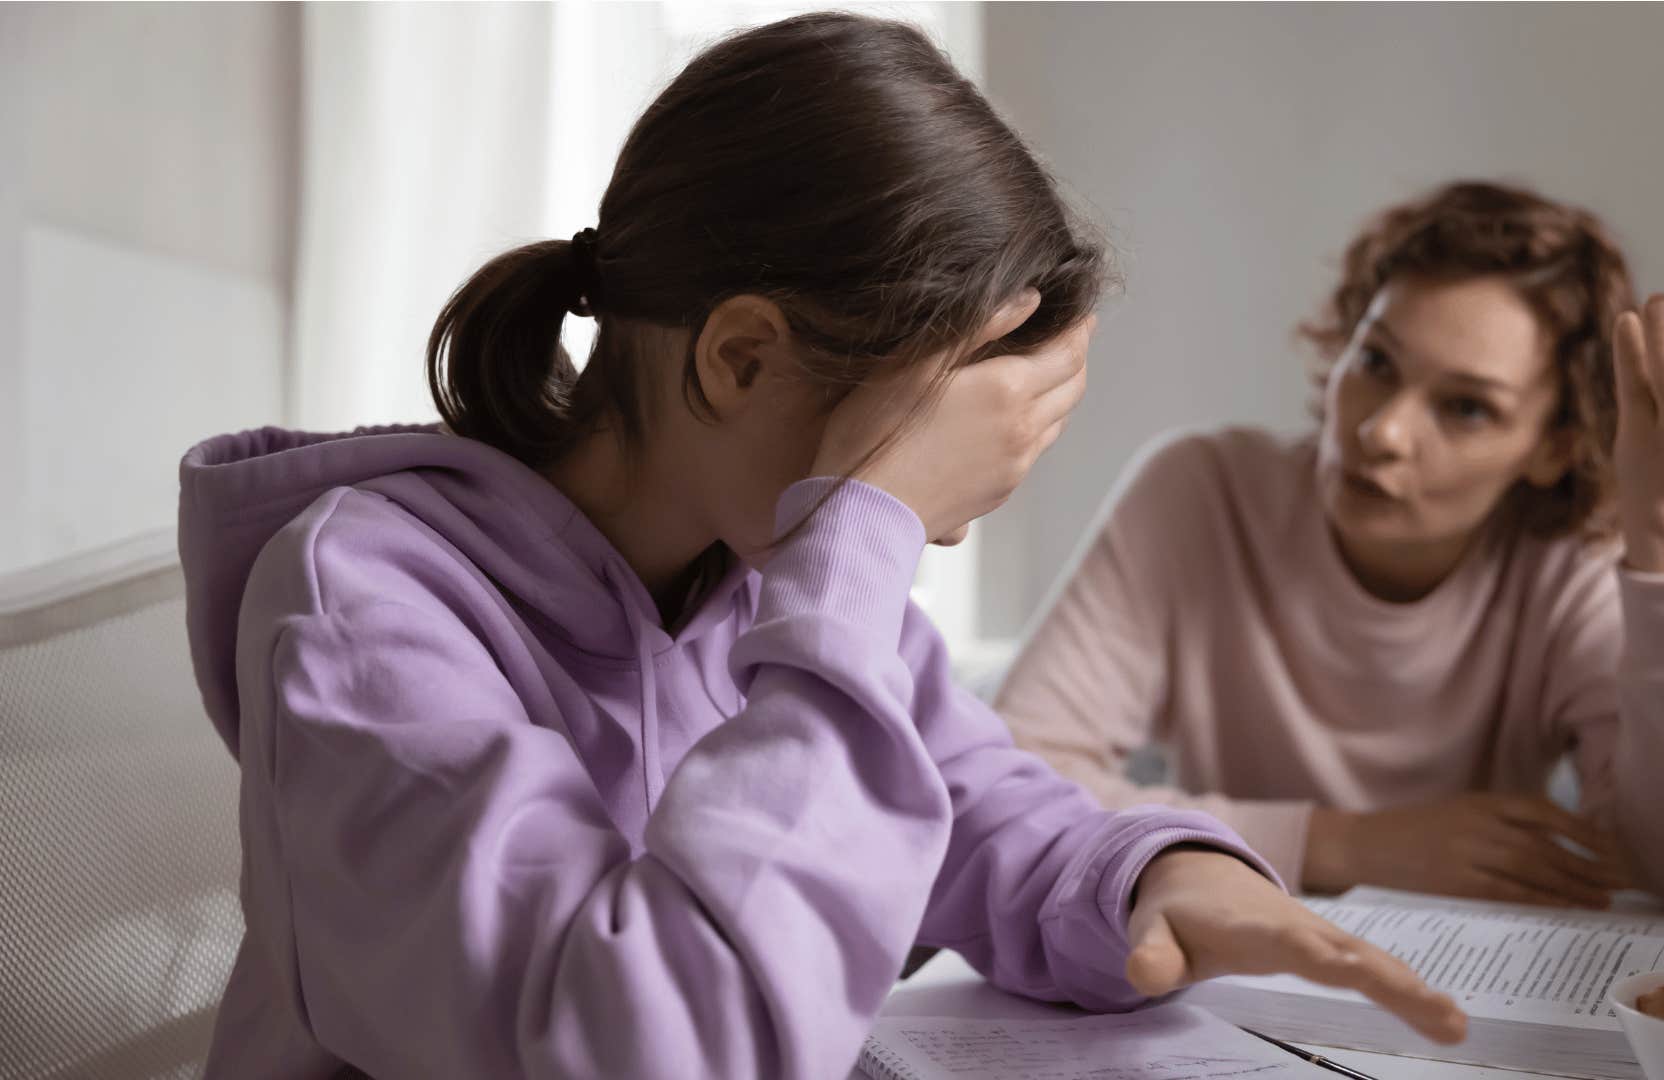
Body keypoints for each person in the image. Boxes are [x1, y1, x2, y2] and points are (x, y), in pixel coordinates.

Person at [178, 15, 1464, 1079]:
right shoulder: (363, 605)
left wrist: (1162, 877)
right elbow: (657, 1048)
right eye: (924, 458)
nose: (947, 518)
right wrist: (862, 535)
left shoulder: (760, 584)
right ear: (741, 359)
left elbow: (980, 805)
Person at [997, 180, 1664, 914]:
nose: (1383, 431)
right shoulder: (1202, 495)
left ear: (1554, 448)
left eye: (1467, 408)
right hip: (1225, 968)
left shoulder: (1568, 566)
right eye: (1375, 362)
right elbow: (1009, 782)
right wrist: (1346, 845)